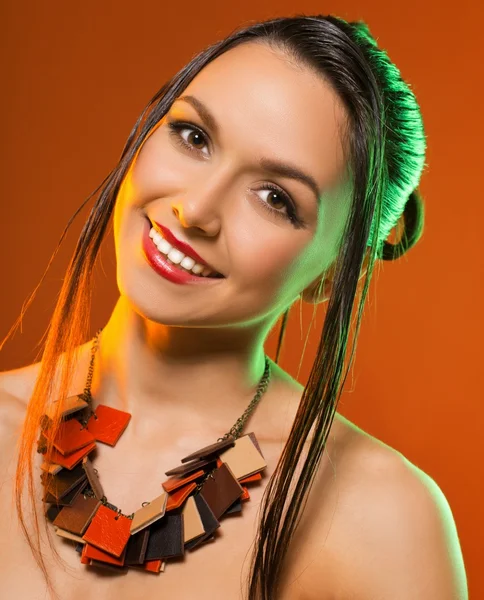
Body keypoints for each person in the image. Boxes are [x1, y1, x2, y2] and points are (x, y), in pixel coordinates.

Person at [0, 13, 468, 600]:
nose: (196, 210)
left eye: (275, 199)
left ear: (332, 274)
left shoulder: (381, 518)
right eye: (194, 137)